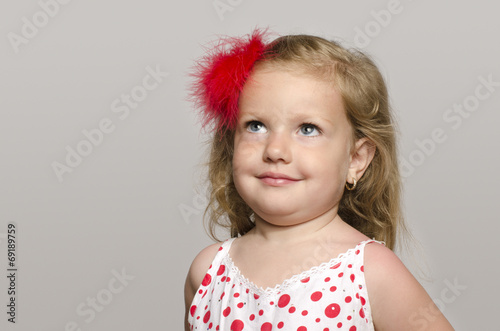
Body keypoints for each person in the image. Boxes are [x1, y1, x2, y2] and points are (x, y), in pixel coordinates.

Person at [184, 28, 454, 331]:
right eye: (256, 125)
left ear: (356, 159)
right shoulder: (208, 271)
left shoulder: (370, 273)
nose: (275, 150)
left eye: (307, 129)